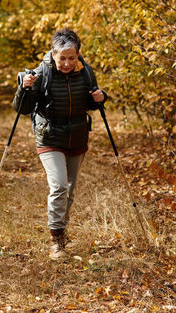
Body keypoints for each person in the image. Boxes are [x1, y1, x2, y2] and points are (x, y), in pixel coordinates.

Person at [13, 28, 106, 260]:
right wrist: (24, 87)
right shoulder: (40, 74)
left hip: (77, 136)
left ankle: (61, 232)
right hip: (50, 137)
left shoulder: (86, 72)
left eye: (71, 58)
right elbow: (22, 109)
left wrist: (100, 98)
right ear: (53, 55)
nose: (66, 63)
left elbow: (90, 101)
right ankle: (55, 241)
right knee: (60, 186)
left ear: (78, 55)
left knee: (70, 190)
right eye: (62, 58)